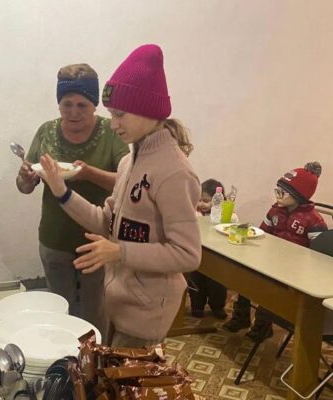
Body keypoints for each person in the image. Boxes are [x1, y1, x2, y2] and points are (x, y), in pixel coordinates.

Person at [38, 44, 201, 348]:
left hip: (146, 315)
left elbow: (188, 254)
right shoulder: (130, 161)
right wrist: (61, 191)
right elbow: (105, 221)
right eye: (112, 114)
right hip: (117, 304)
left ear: (149, 110)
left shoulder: (174, 172)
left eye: (120, 114)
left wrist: (119, 252)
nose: (113, 123)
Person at [16, 63, 130, 335]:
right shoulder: (46, 131)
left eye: (82, 105)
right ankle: (64, 367)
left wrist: (89, 174)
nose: (74, 112)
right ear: (58, 104)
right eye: (67, 104)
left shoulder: (111, 133)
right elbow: (24, 186)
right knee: (59, 310)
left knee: (95, 311)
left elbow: (126, 181)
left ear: (94, 105)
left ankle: (93, 368)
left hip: (97, 241)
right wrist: (26, 176)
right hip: (55, 238)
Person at [223, 162, 327, 341]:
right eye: (276, 191)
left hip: (294, 271)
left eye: (282, 192)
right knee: (246, 275)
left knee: (268, 288)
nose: (277, 196)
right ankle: (241, 317)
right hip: (271, 260)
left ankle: (262, 326)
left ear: (299, 195)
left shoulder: (314, 220)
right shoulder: (275, 211)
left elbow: (319, 255)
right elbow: (263, 232)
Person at [189, 179, 231, 319]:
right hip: (198, 254)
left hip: (217, 256)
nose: (201, 204)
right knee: (195, 281)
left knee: (217, 284)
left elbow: (232, 226)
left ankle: (217, 307)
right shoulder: (194, 213)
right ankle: (197, 306)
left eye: (206, 201)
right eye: (199, 200)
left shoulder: (225, 214)